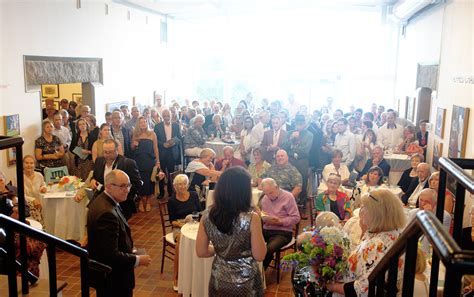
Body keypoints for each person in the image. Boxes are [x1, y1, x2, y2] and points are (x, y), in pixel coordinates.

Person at [196, 167, 266, 296]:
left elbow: (201, 251)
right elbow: (260, 255)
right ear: (245, 191)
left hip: (219, 279)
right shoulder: (251, 217)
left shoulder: (206, 215)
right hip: (247, 281)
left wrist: (221, 251)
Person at [326, 189, 406, 296]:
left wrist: (332, 286)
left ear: (378, 214)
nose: (361, 211)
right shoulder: (389, 233)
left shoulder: (378, 245)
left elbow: (364, 289)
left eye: (365, 207)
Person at [87, 170, 151, 297]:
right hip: (114, 279)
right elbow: (110, 255)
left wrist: (130, 250)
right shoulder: (106, 213)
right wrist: (138, 260)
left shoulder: (105, 201)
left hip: (111, 276)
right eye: (123, 186)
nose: (127, 190)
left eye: (128, 185)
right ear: (109, 186)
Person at [0, 175, 47, 278]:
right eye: (15, 206)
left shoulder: (13, 190)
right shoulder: (9, 234)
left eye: (1, 180)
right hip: (19, 274)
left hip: (20, 226)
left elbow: (26, 209)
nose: (18, 208)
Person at [90, 139, 143, 220]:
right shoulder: (99, 161)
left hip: (122, 205)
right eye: (105, 152)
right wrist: (92, 180)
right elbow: (95, 177)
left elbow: (138, 184)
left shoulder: (128, 163)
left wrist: (123, 192)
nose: (107, 155)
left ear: (117, 150)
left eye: (110, 152)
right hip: (102, 202)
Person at [167, 174, 201, 290]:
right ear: (175, 186)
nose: (182, 187)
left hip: (194, 222)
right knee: (179, 245)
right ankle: (176, 276)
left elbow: (199, 212)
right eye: (179, 184)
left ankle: (197, 272)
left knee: (203, 239)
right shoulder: (172, 200)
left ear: (187, 184)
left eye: (184, 184)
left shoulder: (194, 195)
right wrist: (184, 223)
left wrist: (193, 218)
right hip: (179, 226)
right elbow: (172, 222)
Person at [259, 178, 300, 269]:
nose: (269, 196)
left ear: (277, 187)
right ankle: (254, 270)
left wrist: (280, 222)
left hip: (283, 232)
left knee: (268, 250)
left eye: (271, 192)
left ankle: (260, 274)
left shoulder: (288, 197)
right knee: (249, 243)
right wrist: (263, 217)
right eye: (266, 193)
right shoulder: (265, 198)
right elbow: (263, 215)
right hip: (267, 229)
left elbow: (296, 218)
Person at [282, 114, 313, 207]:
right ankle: (289, 202)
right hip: (290, 161)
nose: (299, 125)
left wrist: (293, 151)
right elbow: (283, 147)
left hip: (302, 162)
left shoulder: (309, 135)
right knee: (289, 181)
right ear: (295, 123)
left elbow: (306, 150)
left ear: (304, 124)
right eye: (297, 123)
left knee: (302, 181)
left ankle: (302, 203)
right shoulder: (289, 133)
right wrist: (291, 138)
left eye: (301, 123)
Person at [131, 116, 160, 212]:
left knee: (148, 181)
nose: (143, 124)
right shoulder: (135, 134)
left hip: (149, 161)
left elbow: (156, 149)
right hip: (138, 161)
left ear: (147, 123)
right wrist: (134, 145)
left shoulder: (152, 134)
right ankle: (141, 200)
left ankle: (148, 201)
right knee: (140, 180)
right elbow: (132, 148)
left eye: (145, 122)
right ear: (138, 124)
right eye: (141, 122)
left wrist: (158, 161)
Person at [154, 109, 182, 198]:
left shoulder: (176, 126)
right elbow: (155, 140)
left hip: (172, 152)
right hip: (162, 152)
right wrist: (163, 144)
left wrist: (173, 142)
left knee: (171, 173)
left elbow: (179, 138)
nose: (166, 117)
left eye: (168, 115)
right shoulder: (157, 126)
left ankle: (171, 192)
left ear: (171, 116)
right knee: (161, 173)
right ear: (162, 116)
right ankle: (161, 193)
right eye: (165, 116)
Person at [23, 155, 46, 224]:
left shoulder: (39, 175)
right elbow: (19, 195)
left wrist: (43, 188)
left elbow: (43, 184)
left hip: (40, 203)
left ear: (34, 165)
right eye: (26, 163)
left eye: (31, 163)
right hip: (27, 205)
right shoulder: (18, 177)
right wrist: (33, 200)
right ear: (23, 164)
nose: (29, 165)